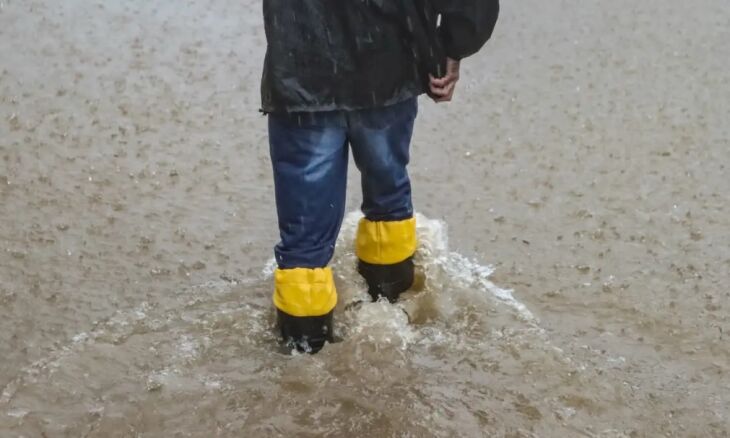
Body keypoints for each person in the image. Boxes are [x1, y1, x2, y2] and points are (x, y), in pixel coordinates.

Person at [261, 0, 499, 353]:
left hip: (301, 70)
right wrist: (452, 46)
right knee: (388, 199)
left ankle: (302, 359)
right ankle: (392, 314)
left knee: (303, 245)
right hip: (388, 66)